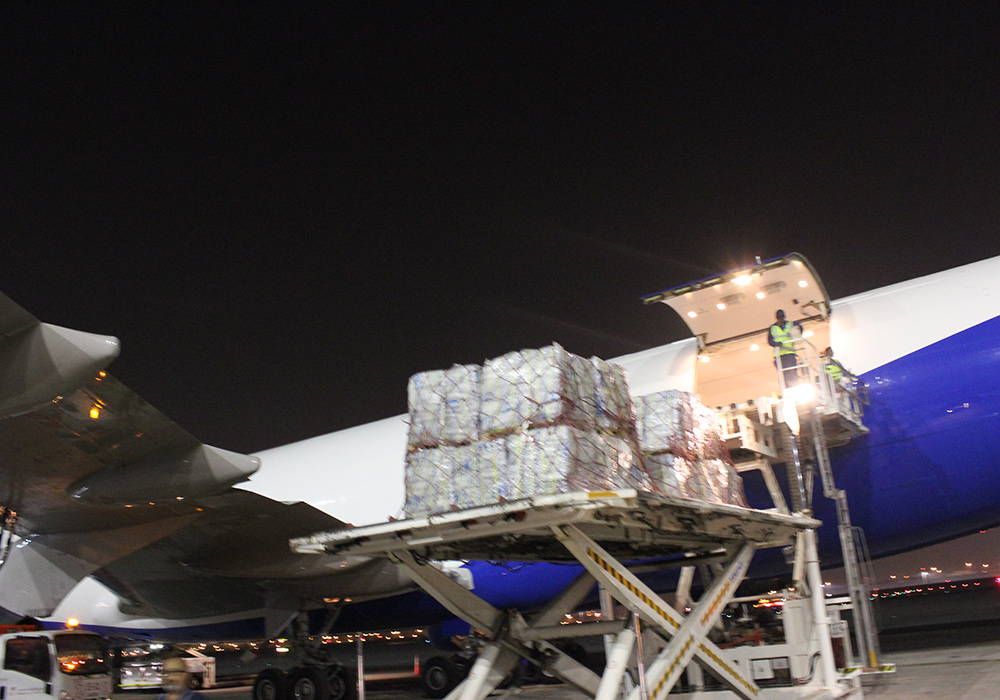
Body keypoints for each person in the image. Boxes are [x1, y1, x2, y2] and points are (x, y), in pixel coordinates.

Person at [766, 309, 803, 389]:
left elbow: (798, 335)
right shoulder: (772, 328)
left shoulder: (790, 324)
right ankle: (787, 389)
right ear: (777, 318)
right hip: (780, 355)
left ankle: (795, 387)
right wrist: (776, 344)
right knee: (784, 374)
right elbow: (769, 341)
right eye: (779, 318)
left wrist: (799, 326)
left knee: (793, 372)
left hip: (790, 353)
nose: (781, 320)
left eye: (782, 318)